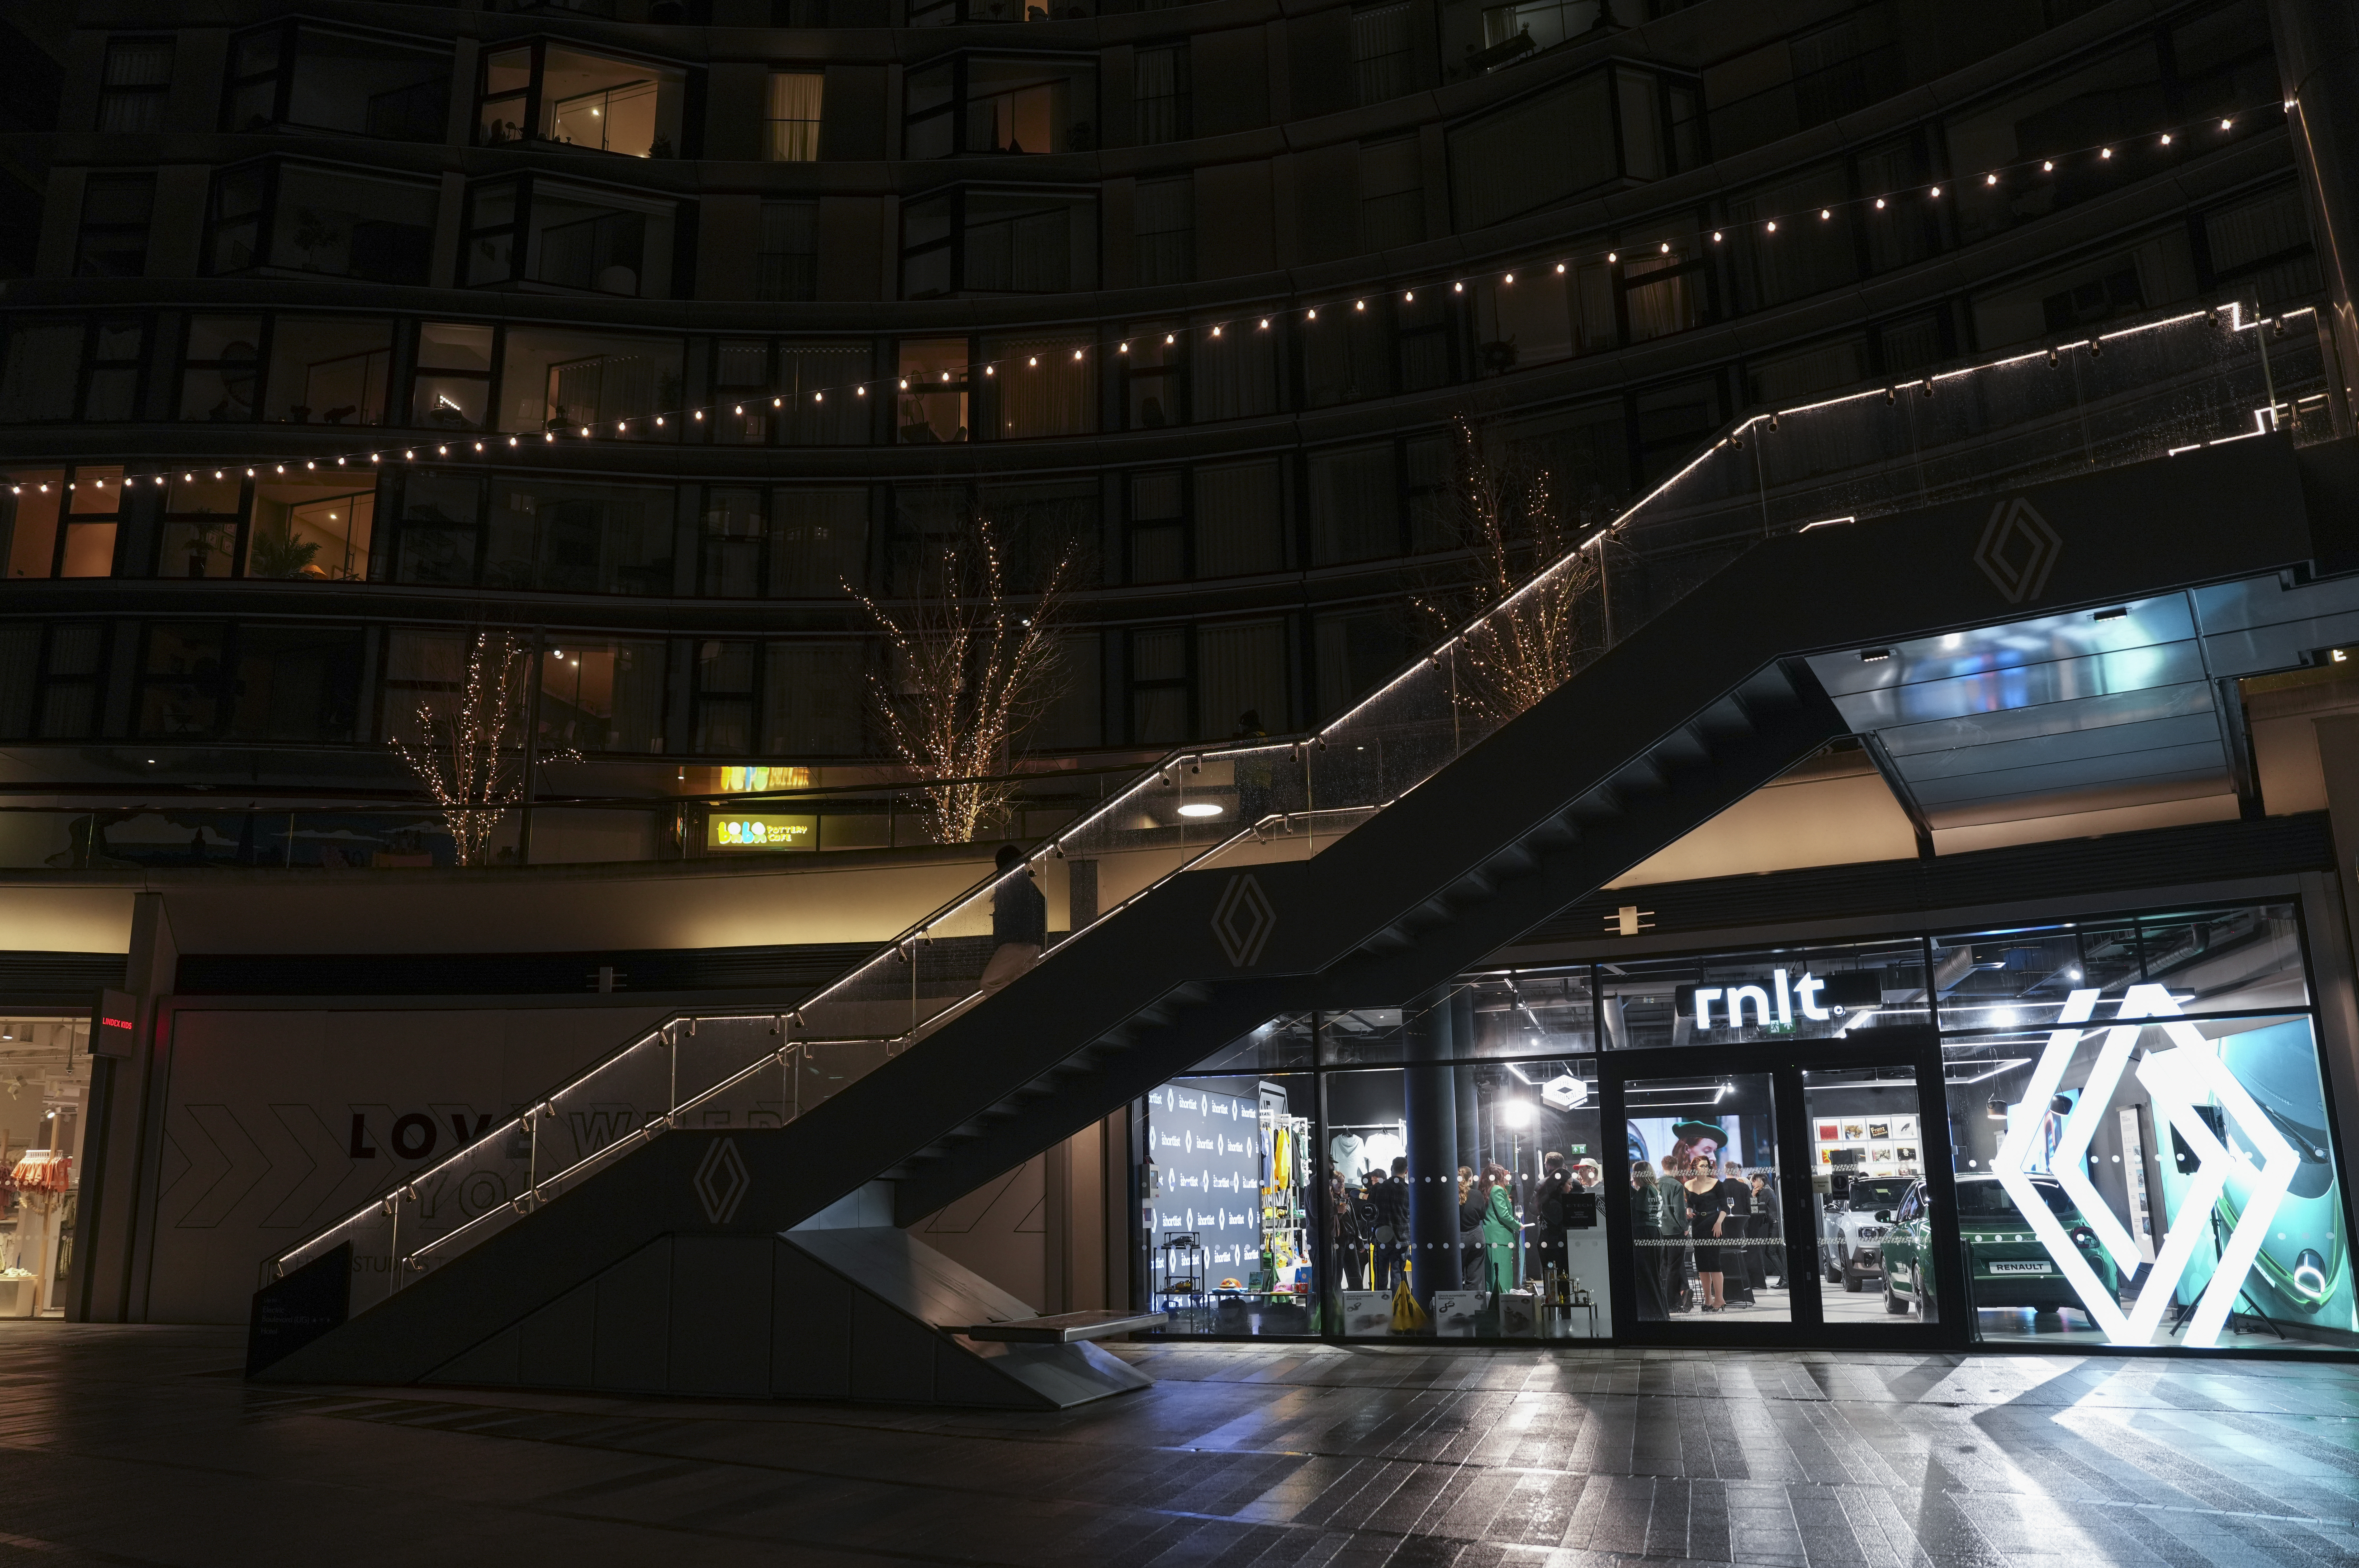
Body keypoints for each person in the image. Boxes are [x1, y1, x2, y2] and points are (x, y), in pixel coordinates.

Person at [979, 843, 1046, 995]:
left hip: (1017, 943)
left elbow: (1009, 918)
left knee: (990, 983)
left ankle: (1012, 1012)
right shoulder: (1027, 886)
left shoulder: (1012, 886)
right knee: (1016, 984)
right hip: (1033, 944)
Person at [1682, 1153, 1730, 1311]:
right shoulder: (1688, 1185)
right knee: (1702, 1265)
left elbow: (1725, 1208)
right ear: (1694, 1168)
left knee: (1714, 1263)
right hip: (1698, 1224)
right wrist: (1689, 1211)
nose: (1705, 1168)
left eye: (1707, 1166)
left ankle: (1720, 1299)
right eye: (1702, 1166)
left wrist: (1718, 1223)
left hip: (1714, 1223)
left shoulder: (1717, 1183)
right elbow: (1690, 1204)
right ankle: (1708, 1300)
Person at [1631, 1160, 1668, 1319]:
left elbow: (1637, 1213)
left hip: (1645, 1233)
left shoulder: (1644, 1191)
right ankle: (1660, 1314)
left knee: (1647, 1275)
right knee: (1654, 1275)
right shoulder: (1654, 1189)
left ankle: (1654, 1314)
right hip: (1654, 1233)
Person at [1533, 1153, 1574, 1282]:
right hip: (1553, 1246)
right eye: (1570, 1184)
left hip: (1550, 1244)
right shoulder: (1553, 1204)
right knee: (1556, 1281)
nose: (1572, 1188)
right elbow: (1561, 1222)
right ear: (1561, 1185)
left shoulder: (1547, 1195)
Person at [1479, 1163, 1520, 1292]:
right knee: (1502, 1278)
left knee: (1493, 1278)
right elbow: (1504, 1215)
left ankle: (1495, 1308)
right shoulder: (1498, 1190)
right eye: (1503, 1174)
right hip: (1501, 1238)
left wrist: (1507, 1184)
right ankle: (1503, 1309)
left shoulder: (1490, 1190)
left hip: (1491, 1238)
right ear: (1498, 1175)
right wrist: (1518, 1225)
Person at [1719, 1161, 1756, 1306]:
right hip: (1740, 1227)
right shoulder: (1743, 1187)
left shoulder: (1720, 1187)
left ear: (1725, 1171)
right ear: (1737, 1171)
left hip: (1722, 1228)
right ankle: (1742, 1290)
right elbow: (1751, 1207)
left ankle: (1725, 1293)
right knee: (1740, 1255)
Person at [1373, 1157, 1411, 1289]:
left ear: (1391, 1168)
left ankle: (1381, 1307)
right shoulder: (1409, 1190)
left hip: (1381, 1238)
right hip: (1401, 1239)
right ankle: (1397, 1307)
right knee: (1398, 1276)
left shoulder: (1379, 1187)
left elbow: (1371, 1213)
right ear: (1406, 1171)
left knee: (1380, 1277)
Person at [1329, 1167, 1366, 1291]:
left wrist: (1359, 1241)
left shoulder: (1346, 1200)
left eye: (1343, 1181)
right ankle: (1337, 1305)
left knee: (1356, 1275)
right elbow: (1334, 1221)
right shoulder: (1330, 1200)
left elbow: (1354, 1221)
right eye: (1338, 1181)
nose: (1341, 1184)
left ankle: (1359, 1302)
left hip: (1351, 1241)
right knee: (1337, 1275)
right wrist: (1339, 1210)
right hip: (1338, 1242)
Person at [1751, 1171, 1785, 1287]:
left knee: (1770, 1252)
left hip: (1775, 1224)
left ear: (1760, 1181)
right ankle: (1784, 1278)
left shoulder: (1765, 1192)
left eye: (1754, 1182)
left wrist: (1753, 1197)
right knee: (1776, 1252)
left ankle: (1785, 1278)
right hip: (1776, 1223)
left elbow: (1758, 1210)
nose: (1753, 1185)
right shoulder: (1768, 1190)